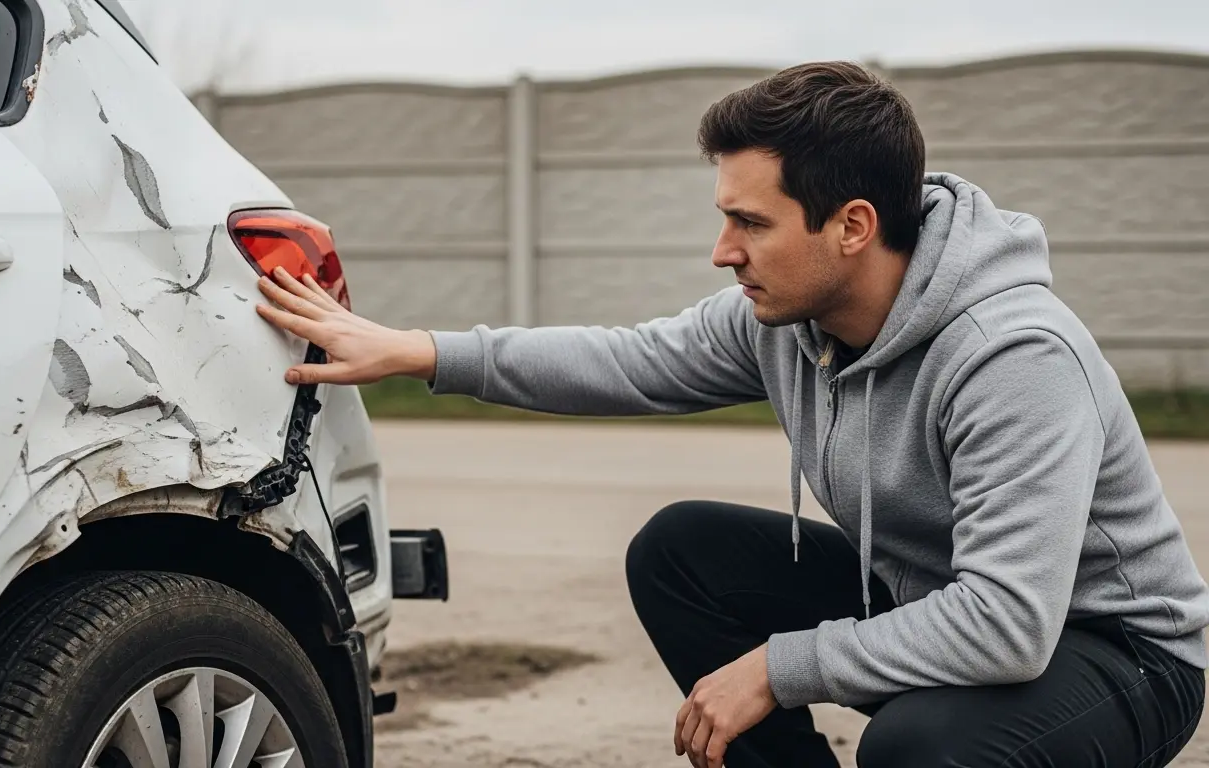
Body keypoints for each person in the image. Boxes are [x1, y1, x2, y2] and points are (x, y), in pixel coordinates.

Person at [252, 61, 1209, 767]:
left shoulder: (1011, 354)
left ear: (853, 225)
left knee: (920, 749)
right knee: (681, 553)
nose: (722, 250)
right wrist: (418, 351)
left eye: (750, 222)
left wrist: (782, 667)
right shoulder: (787, 320)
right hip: (932, 599)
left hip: (1115, 652)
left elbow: (1008, 622)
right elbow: (626, 361)